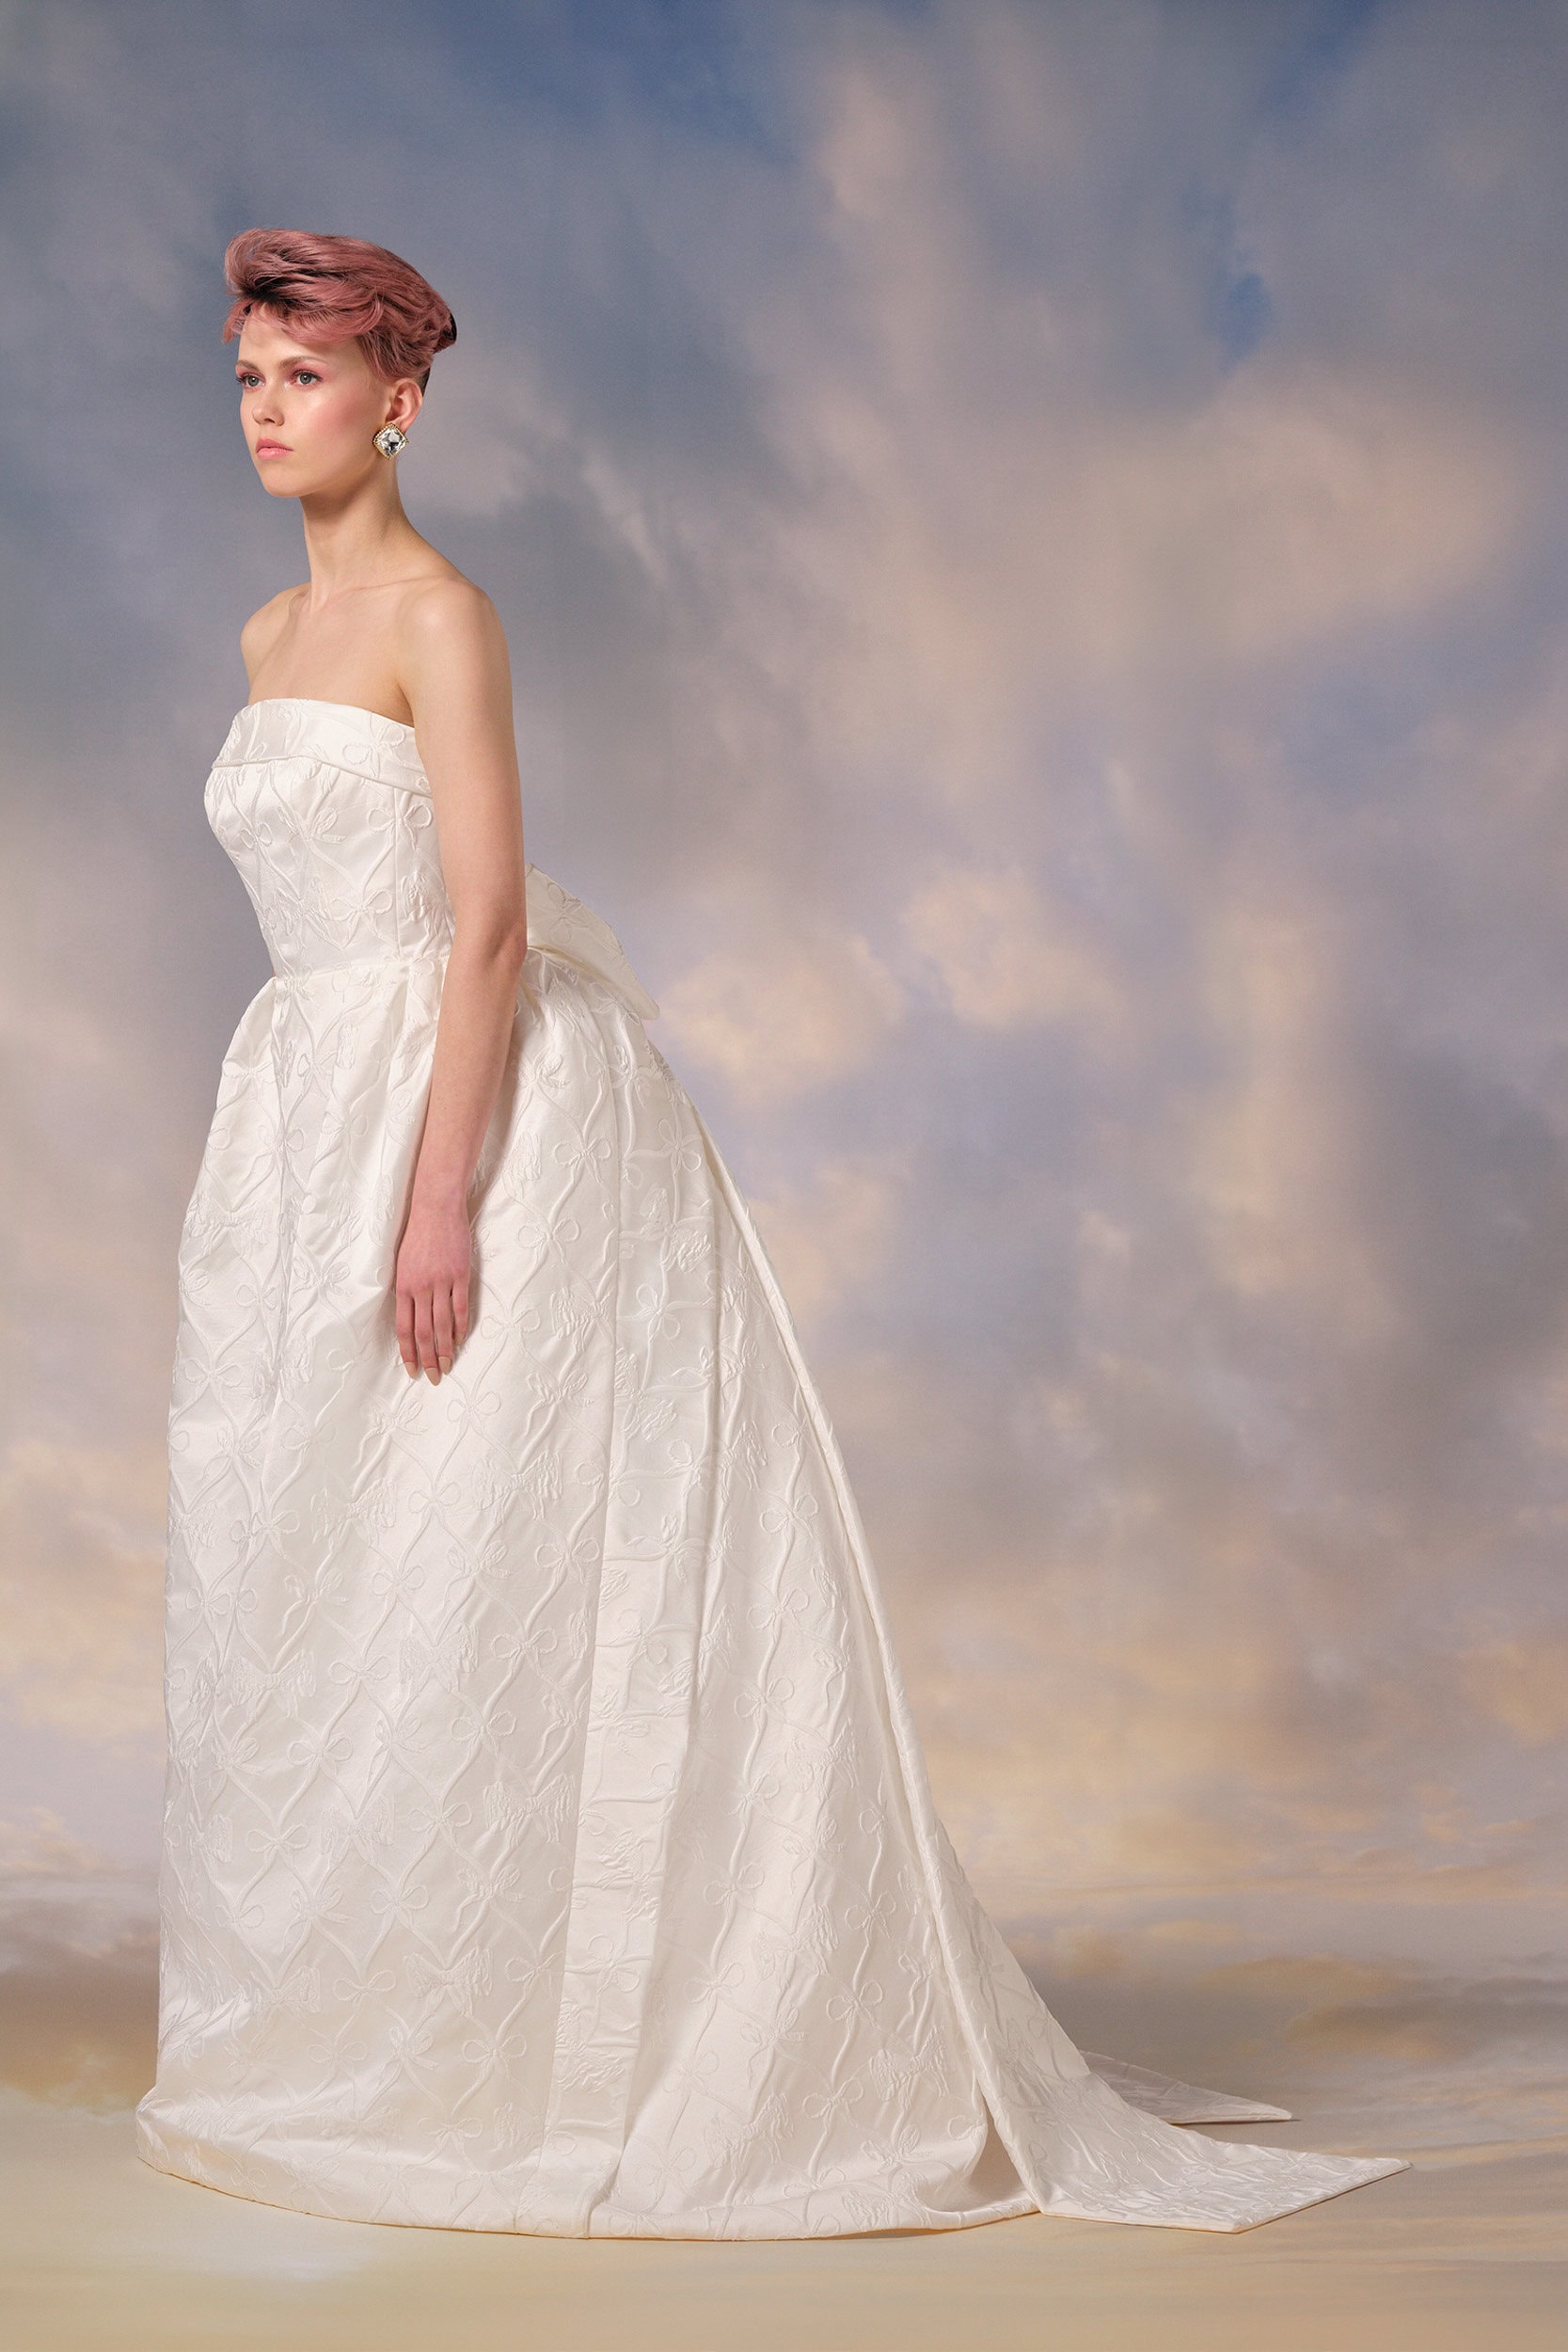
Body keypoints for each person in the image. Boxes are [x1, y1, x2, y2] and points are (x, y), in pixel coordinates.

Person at [134, 229, 1407, 2238]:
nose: (269, 411)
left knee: (481, 1533)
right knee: (329, 1559)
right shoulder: (260, 636)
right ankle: (376, 2017)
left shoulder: (443, 618)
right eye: (248, 378)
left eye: (306, 374)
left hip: (454, 1099)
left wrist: (440, 1191)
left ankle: (587, 2036)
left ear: (401, 398)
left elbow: (486, 920)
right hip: (296, 1105)